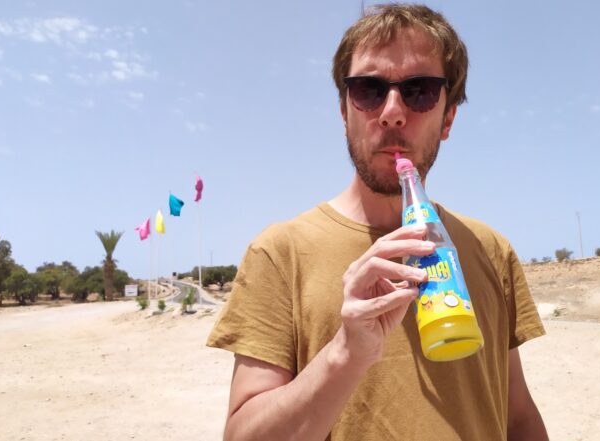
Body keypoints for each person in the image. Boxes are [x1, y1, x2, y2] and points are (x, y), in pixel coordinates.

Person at [207, 4, 548, 440]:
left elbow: (517, 417)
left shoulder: (490, 249)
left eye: (419, 91)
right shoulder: (279, 253)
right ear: (344, 113)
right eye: (368, 90)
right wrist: (344, 353)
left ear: (448, 118)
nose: (392, 112)